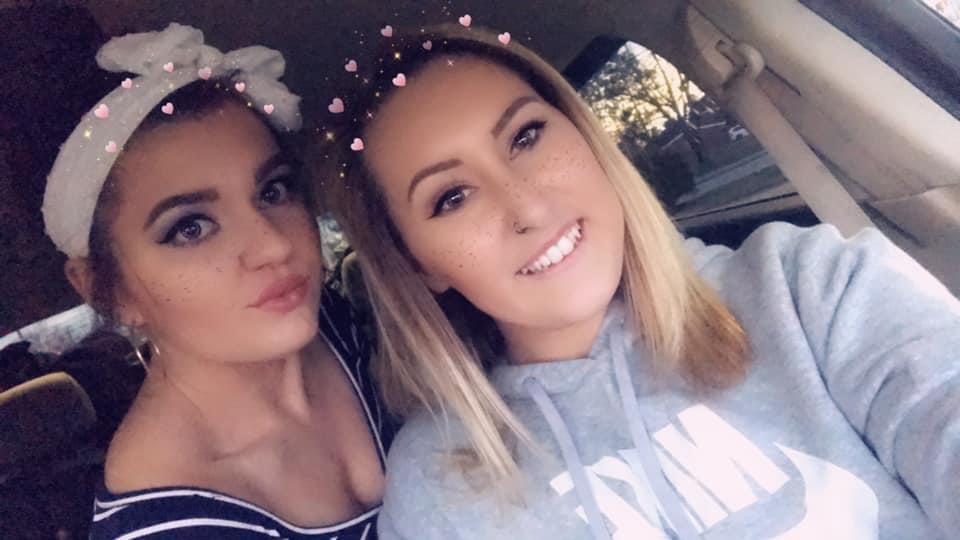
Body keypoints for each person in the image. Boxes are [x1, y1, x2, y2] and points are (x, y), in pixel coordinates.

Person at [319, 25, 960, 539]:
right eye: (452, 197)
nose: (528, 206)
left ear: (585, 134)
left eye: (526, 136)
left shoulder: (806, 285)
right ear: (419, 265)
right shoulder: (435, 487)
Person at [43, 23, 392, 539]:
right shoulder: (163, 530)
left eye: (273, 191)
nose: (274, 246)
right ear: (105, 290)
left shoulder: (351, 330)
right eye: (190, 228)